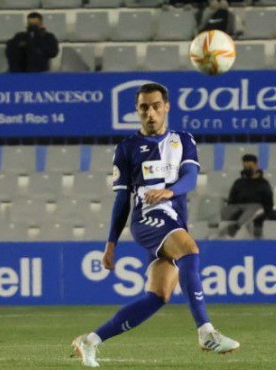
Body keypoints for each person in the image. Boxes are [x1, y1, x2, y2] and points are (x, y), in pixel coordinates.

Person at [71, 83, 239, 367]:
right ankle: (206, 332)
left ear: (166, 107)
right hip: (148, 218)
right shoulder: (127, 148)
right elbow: (122, 199)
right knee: (189, 250)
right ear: (137, 111)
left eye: (156, 106)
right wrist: (111, 243)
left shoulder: (183, 140)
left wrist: (170, 191)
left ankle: (90, 341)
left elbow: (189, 177)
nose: (150, 112)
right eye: (144, 107)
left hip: (172, 219)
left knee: (158, 296)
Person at [219, 154, 273, 238]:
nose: (247, 169)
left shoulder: (263, 183)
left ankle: (236, 227)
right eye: (245, 166)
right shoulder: (238, 182)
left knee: (257, 208)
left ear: (256, 166)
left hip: (256, 211)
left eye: (250, 166)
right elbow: (231, 201)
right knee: (225, 210)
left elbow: (268, 205)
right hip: (238, 209)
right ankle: (221, 234)